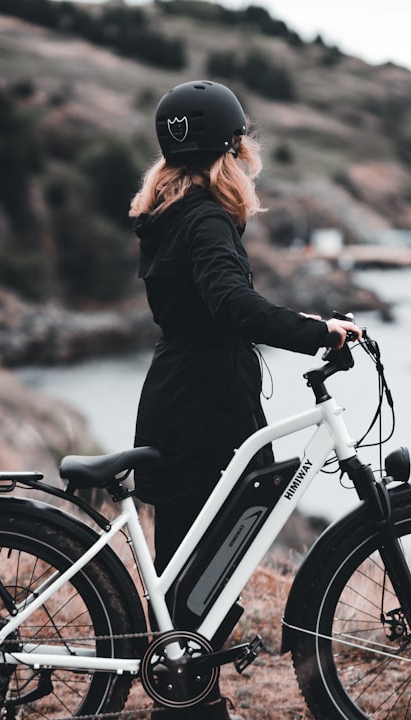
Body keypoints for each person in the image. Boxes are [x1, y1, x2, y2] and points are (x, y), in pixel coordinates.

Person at [128, 80, 361, 720]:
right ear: (230, 149)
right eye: (242, 143)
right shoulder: (204, 216)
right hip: (206, 406)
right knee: (214, 563)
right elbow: (231, 305)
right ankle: (186, 703)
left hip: (188, 392)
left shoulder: (172, 210)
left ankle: (187, 700)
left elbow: (216, 305)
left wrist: (305, 322)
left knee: (197, 564)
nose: (248, 154)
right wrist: (317, 334)